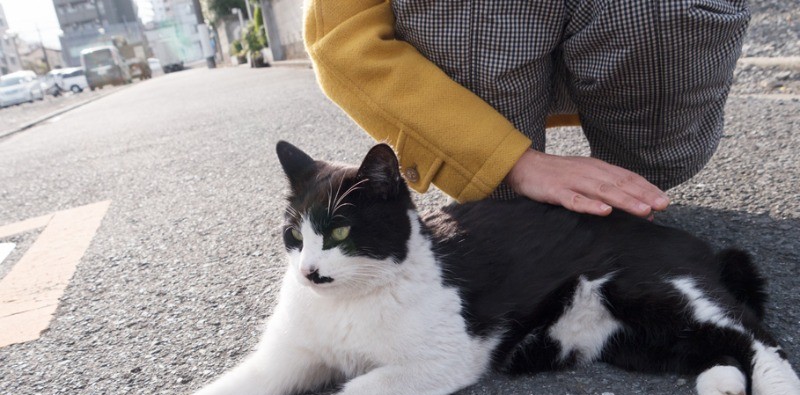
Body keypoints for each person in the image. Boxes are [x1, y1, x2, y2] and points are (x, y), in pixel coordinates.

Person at [303, 0, 750, 218]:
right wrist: (506, 162)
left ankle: (624, 191)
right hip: (493, 40)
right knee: (507, 209)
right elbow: (343, 40)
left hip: (608, 26)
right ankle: (509, 187)